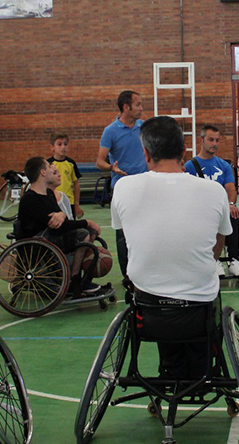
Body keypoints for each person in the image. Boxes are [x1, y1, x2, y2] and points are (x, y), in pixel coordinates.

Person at [111, 116, 232, 378]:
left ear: (146, 152)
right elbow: (218, 243)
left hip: (149, 306)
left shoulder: (123, 188)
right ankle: (199, 372)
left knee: (159, 284)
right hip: (198, 305)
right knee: (200, 282)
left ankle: (171, 372)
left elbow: (126, 235)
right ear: (185, 150)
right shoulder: (214, 191)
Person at [18, 156, 108, 295]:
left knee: (89, 232)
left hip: (51, 237)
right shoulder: (30, 199)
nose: (52, 170)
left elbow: (61, 220)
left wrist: (62, 214)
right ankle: (75, 278)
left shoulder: (48, 194)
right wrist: (87, 222)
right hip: (38, 244)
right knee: (84, 233)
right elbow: (58, 226)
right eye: (49, 167)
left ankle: (82, 279)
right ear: (42, 172)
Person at [185, 125, 239, 278]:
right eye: (211, 140)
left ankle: (235, 261)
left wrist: (231, 204)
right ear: (202, 140)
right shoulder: (190, 166)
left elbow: (230, 188)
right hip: (199, 210)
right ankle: (214, 260)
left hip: (220, 208)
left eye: (217, 140)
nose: (214, 143)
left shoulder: (224, 165)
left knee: (233, 215)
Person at [97, 90, 148, 276]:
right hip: (123, 189)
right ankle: (128, 275)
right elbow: (100, 161)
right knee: (123, 234)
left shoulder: (144, 127)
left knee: (146, 230)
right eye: (138, 105)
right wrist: (112, 168)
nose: (141, 109)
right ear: (126, 107)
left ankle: (144, 271)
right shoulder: (110, 131)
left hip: (144, 187)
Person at [49, 131, 83, 218]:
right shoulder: (48, 164)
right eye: (59, 144)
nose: (63, 147)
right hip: (53, 201)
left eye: (65, 144)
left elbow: (76, 184)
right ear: (52, 147)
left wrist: (76, 204)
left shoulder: (71, 163)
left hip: (69, 201)